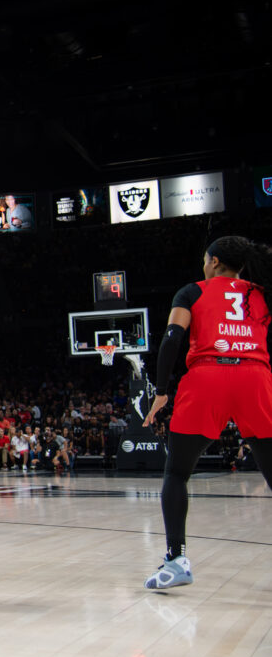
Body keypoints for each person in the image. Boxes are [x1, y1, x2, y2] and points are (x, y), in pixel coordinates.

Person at [142, 236, 272, 589]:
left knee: (177, 474)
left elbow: (171, 340)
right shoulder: (261, 292)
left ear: (214, 262)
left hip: (208, 377)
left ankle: (176, 561)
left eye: (204, 259)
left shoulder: (192, 291)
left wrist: (162, 391)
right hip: (255, 377)